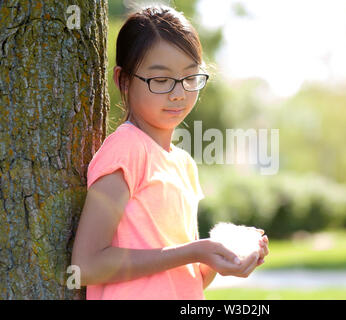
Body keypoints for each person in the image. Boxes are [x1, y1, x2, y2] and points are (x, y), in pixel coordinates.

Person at [71, 3, 269, 300]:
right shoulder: (126, 149)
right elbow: (86, 265)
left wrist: (222, 255)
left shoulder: (183, 164)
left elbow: (182, 280)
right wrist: (194, 251)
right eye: (161, 80)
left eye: (190, 77)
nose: (178, 93)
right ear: (123, 80)